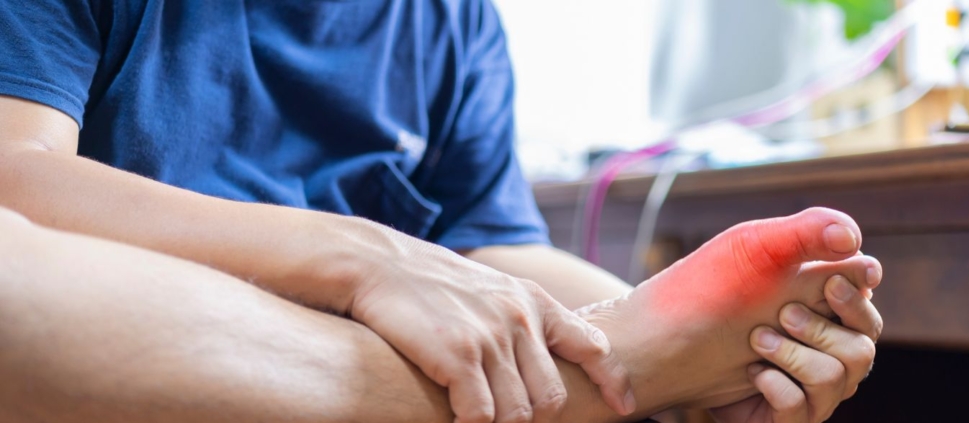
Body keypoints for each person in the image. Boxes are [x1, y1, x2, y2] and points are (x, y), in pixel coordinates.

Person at [0, 1, 883, 422]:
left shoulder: (450, 20)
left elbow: (493, 247)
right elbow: (14, 178)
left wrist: (711, 342)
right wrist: (359, 255)